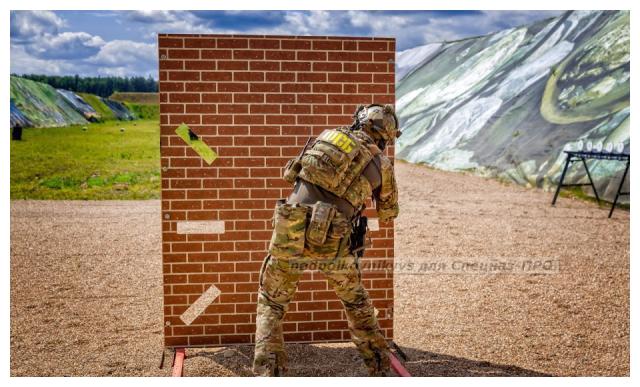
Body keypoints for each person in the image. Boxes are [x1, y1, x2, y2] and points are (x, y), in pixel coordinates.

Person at [253, 104, 401, 377]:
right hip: (333, 239)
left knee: (271, 303)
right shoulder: (383, 163)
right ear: (386, 136)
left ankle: (268, 374)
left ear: (359, 121)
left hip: (290, 227)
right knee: (356, 304)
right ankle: (380, 370)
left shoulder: (326, 136)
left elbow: (291, 176)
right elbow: (389, 213)